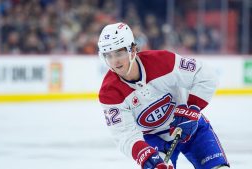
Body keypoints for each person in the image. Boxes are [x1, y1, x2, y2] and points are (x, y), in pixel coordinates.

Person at [98, 22, 230, 169]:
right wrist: (144, 153)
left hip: (190, 126)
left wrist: (192, 108)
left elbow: (205, 75)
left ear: (133, 50)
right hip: (154, 140)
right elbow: (124, 134)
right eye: (108, 55)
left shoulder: (163, 61)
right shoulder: (109, 93)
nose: (114, 61)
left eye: (119, 53)